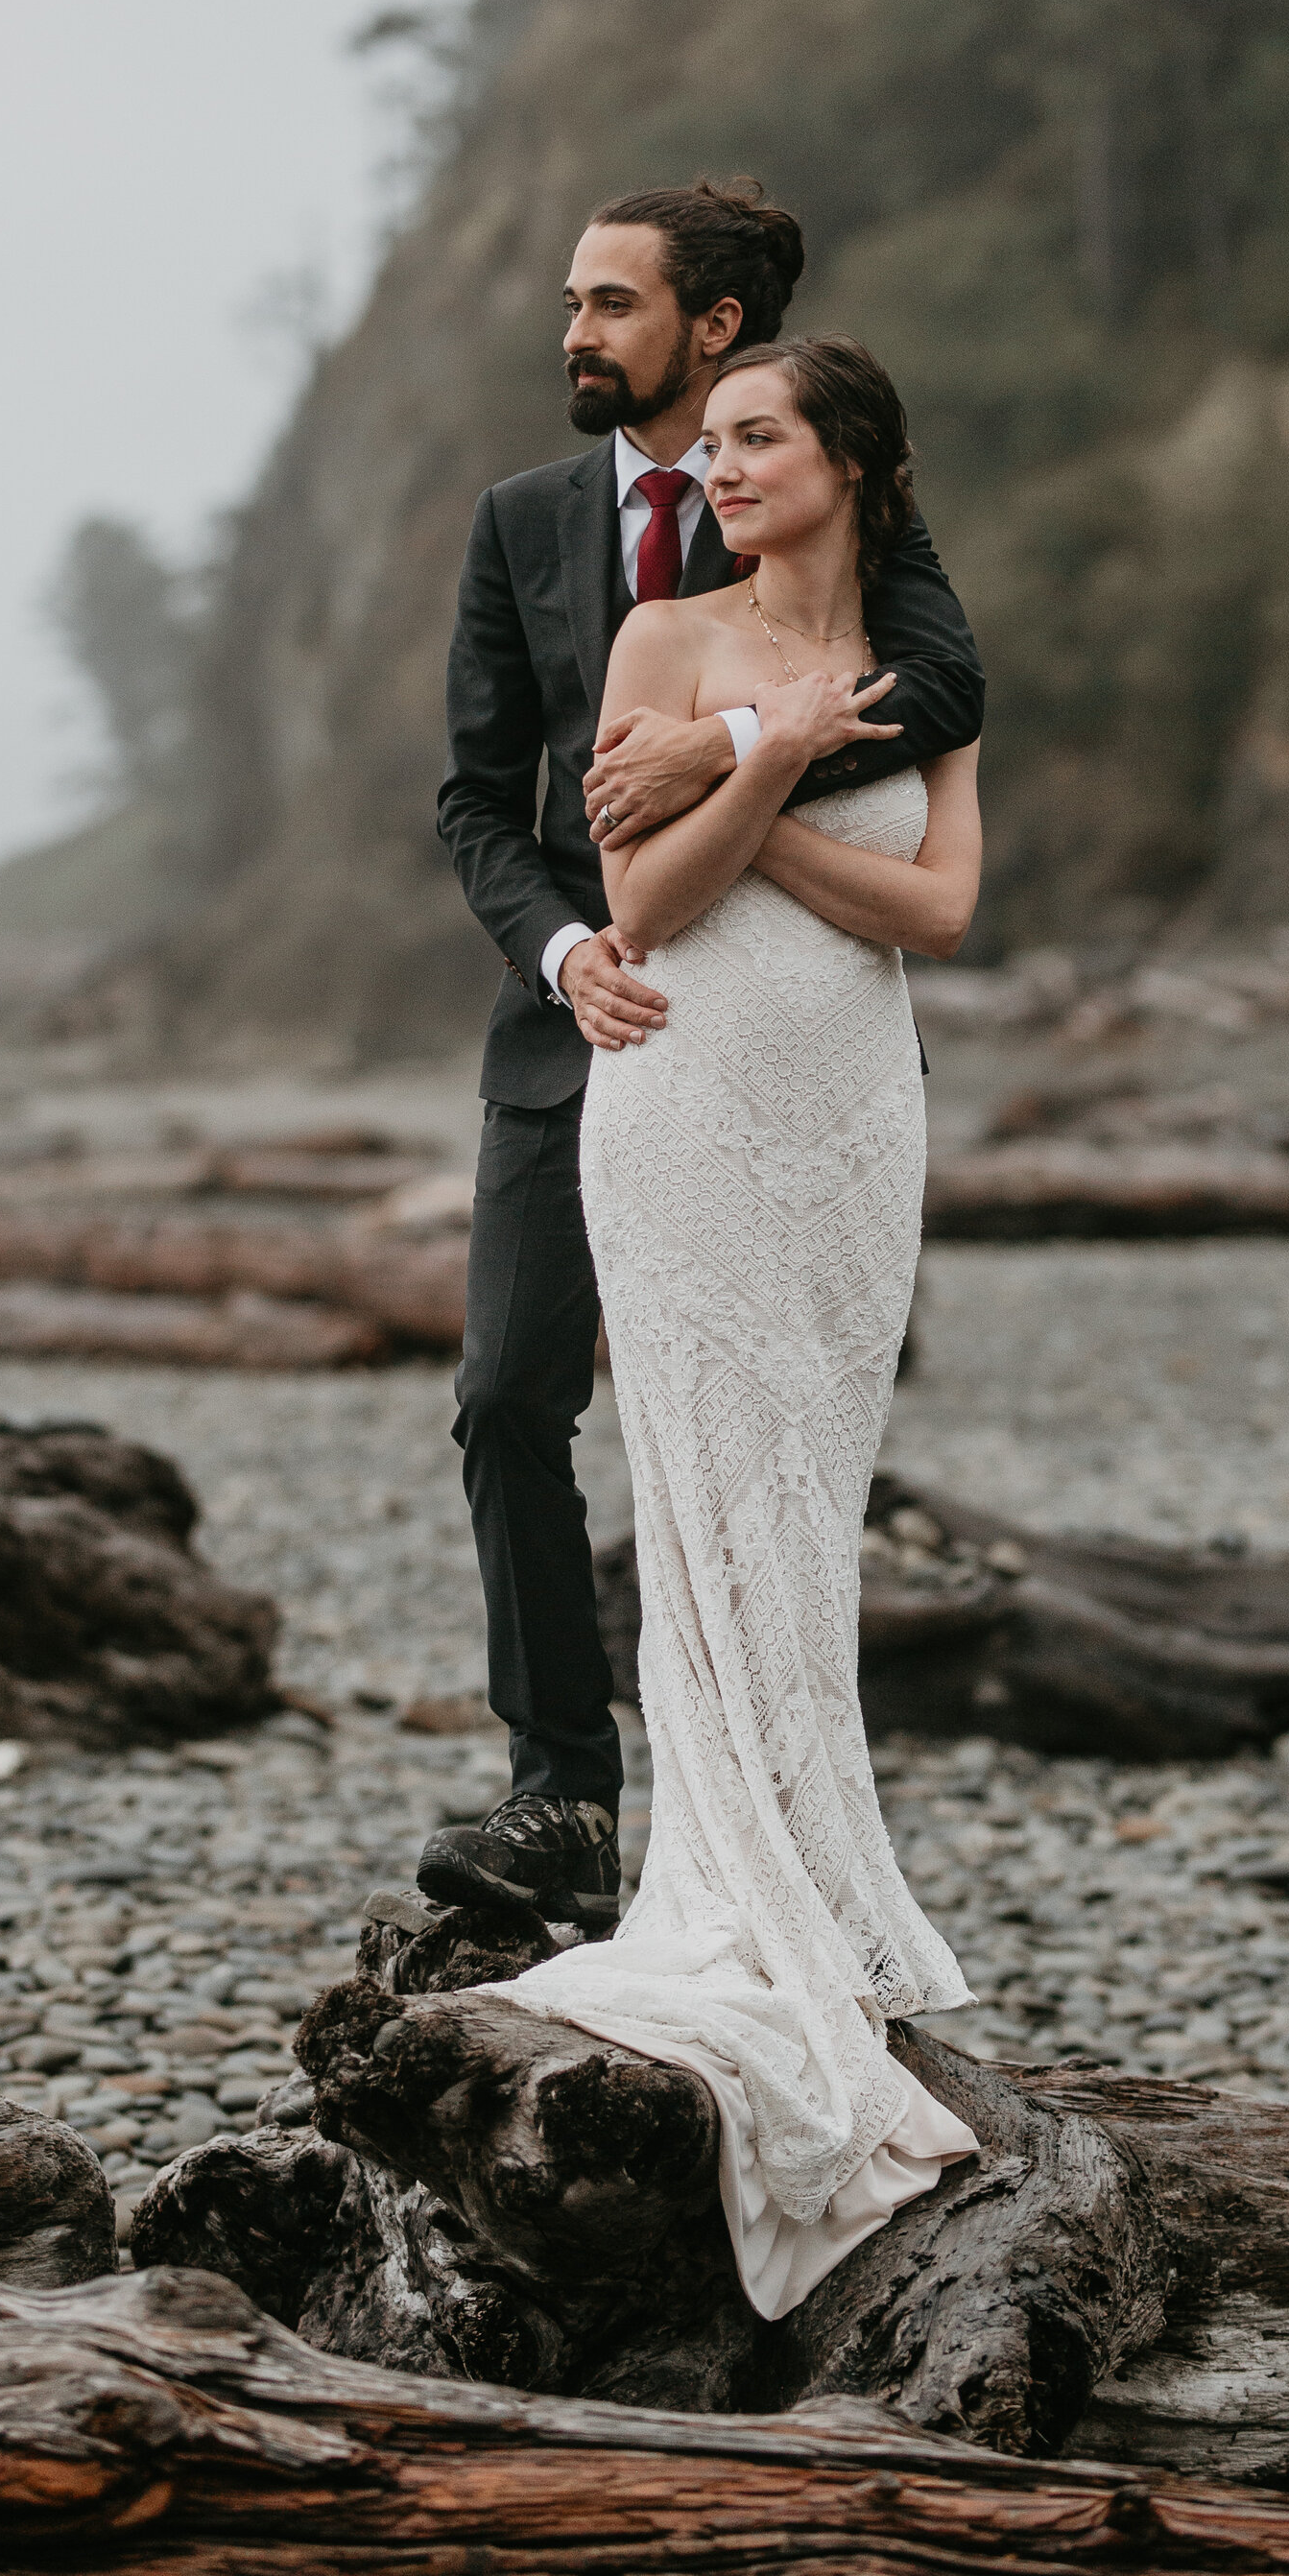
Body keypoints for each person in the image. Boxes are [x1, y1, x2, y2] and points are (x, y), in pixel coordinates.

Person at [422, 173, 984, 1945]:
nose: (572, 333)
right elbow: (481, 800)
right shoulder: (525, 524)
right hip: (589, 1007)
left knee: (777, 1428)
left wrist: (721, 747)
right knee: (514, 1391)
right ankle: (563, 1790)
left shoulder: (865, 517)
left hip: (801, 1050)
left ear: (714, 324)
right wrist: (571, 943)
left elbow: (941, 698)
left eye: (607, 303)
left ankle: (767, 1823)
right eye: (573, 301)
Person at [500, 329, 987, 2314]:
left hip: (854, 1118)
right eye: (703, 446)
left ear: (850, 462)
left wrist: (757, 775)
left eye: (754, 437)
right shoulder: (657, 647)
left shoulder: (929, 664)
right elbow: (644, 902)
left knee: (814, 1495)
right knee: (709, 1501)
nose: (712, 466)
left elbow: (943, 912)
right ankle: (746, 1905)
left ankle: (831, 1896)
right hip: (687, 1112)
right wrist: (756, 757)